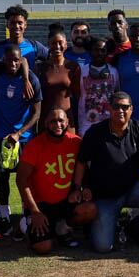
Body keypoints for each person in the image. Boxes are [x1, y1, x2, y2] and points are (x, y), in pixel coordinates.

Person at [73, 91, 139, 252]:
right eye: (116, 106)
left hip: (131, 189)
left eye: (124, 107)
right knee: (102, 247)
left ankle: (134, 227)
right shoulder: (95, 132)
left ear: (131, 109)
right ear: (109, 108)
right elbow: (81, 162)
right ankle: (104, 224)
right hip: (104, 196)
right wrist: (77, 187)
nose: (120, 110)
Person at [17, 108, 96, 252]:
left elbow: (85, 170)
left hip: (66, 202)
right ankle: (27, 223)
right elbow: (21, 180)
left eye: (61, 120)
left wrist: (81, 189)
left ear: (67, 122)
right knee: (43, 247)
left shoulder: (77, 142)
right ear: (46, 123)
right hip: (41, 205)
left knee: (90, 210)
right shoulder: (34, 145)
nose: (57, 124)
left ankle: (63, 228)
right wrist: (35, 211)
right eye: (53, 121)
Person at [0, 44, 42, 225]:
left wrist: (19, 133)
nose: (13, 63)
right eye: (9, 59)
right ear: (3, 60)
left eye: (16, 60)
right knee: (1, 176)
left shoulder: (31, 80)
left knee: (25, 178)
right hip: (1, 136)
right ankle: (4, 215)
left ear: (21, 61)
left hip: (24, 139)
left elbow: (37, 112)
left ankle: (26, 215)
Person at [77, 37, 119, 137]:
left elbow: (117, 93)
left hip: (109, 123)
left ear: (107, 52)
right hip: (86, 123)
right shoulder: (81, 71)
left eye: (103, 50)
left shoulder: (114, 71)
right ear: (90, 51)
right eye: (96, 50)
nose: (99, 53)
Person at [38, 30, 81, 130]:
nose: (57, 46)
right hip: (46, 120)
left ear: (66, 45)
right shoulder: (40, 67)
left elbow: (77, 96)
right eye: (53, 43)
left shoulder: (73, 67)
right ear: (48, 44)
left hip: (66, 120)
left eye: (60, 43)